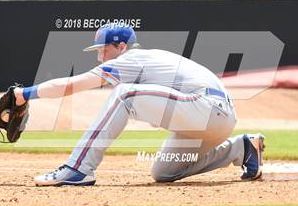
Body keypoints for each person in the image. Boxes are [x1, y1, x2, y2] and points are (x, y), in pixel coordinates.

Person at [13, 23, 264, 186]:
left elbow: (72, 85)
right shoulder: (144, 58)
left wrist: (25, 94)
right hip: (214, 119)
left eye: (103, 49)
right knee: (164, 172)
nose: (100, 56)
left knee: (125, 95)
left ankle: (79, 168)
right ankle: (241, 148)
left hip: (207, 106)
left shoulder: (131, 58)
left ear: (121, 46)